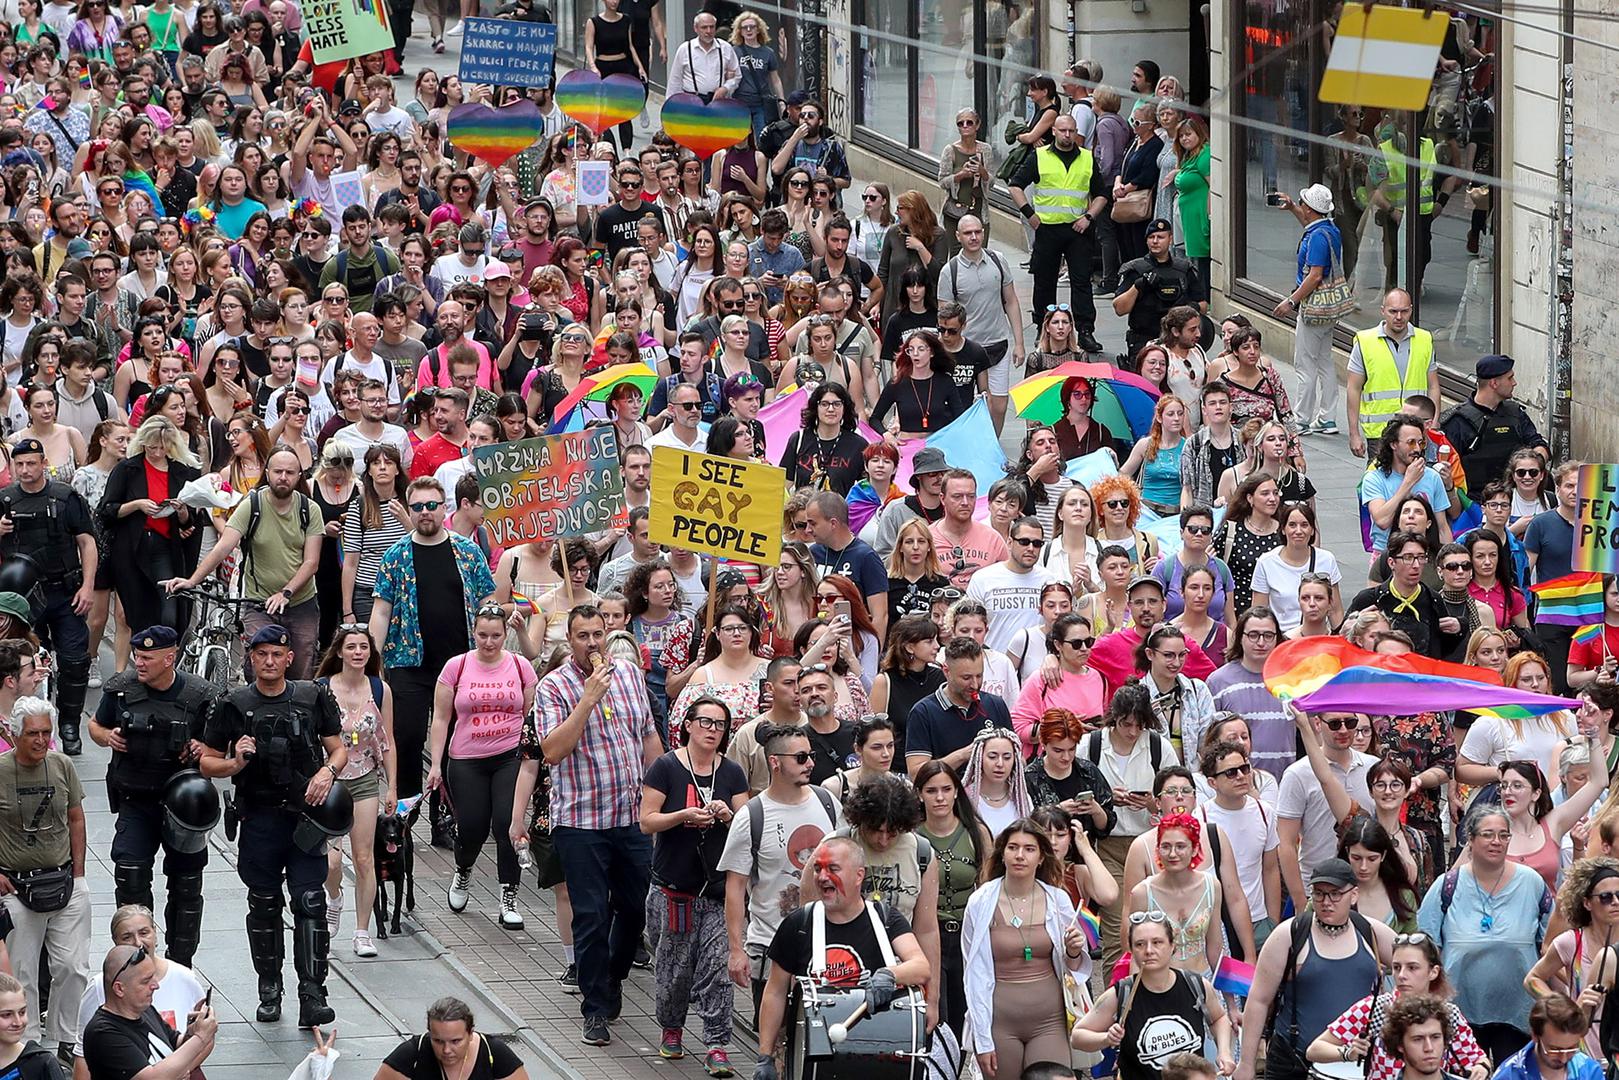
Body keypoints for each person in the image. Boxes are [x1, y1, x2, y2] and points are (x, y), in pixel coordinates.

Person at [197, 625, 348, 1027]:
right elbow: (207, 760)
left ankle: (313, 994)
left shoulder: (311, 696)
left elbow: (338, 749)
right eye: (261, 654)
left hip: (304, 817)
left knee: (311, 903)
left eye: (276, 655)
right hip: (259, 818)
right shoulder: (233, 703)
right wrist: (235, 763)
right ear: (251, 658)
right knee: (263, 905)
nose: (269, 662)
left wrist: (326, 774)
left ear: (288, 658)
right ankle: (270, 989)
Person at [532, 604, 660, 1047]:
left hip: (630, 816)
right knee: (590, 915)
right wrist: (587, 698)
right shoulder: (553, 687)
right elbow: (552, 750)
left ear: (608, 634)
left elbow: (647, 736)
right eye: (582, 636)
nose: (591, 643)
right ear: (569, 641)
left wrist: (659, 792)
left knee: (637, 908)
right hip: (581, 821)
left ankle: (611, 979)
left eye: (597, 634)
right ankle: (595, 1008)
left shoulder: (628, 675)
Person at [86, 626, 219, 970]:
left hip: (182, 807)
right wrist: (107, 737)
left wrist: (202, 747)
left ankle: (181, 965)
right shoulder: (121, 690)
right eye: (137, 656)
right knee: (130, 876)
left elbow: (219, 745)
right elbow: (96, 727)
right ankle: (136, 963)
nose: (139, 663)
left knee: (187, 886)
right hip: (136, 798)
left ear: (169, 658)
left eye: (147, 658)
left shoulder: (199, 694)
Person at [367, 476, 496, 828]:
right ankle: (408, 811)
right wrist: (372, 660)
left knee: (457, 741)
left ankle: (447, 816)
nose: (424, 513)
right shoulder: (396, 555)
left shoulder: (467, 552)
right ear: (409, 511)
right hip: (409, 664)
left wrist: (491, 650)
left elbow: (487, 601)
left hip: (459, 666)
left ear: (444, 510)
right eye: (417, 507)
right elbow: (381, 610)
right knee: (408, 737)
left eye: (431, 506)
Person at [751, 836, 930, 1080]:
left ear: (859, 876)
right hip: (810, 1055)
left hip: (871, 1053)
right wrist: (765, 1055)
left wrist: (890, 974)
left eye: (833, 868)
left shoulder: (885, 919)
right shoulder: (799, 924)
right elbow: (775, 991)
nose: (822, 877)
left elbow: (921, 966)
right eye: (817, 869)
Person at [640, 695, 747, 1074]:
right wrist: (683, 814)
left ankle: (717, 1043)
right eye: (705, 722)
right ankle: (672, 1027)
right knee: (673, 966)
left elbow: (744, 828)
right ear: (687, 724)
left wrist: (728, 815)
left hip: (717, 890)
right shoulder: (666, 768)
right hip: (673, 888)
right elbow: (647, 821)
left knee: (718, 966)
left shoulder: (731, 772)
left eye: (720, 725)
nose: (712, 731)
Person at [165, 447, 323, 676]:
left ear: (299, 476)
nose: (283, 477)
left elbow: (311, 562)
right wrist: (192, 580)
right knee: (260, 662)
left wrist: (285, 593)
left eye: (290, 472)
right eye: (278, 471)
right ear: (267, 472)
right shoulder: (253, 505)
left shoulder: (310, 510)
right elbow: (223, 547)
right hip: (258, 601)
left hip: (300, 601)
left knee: (301, 667)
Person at [1234, 858, 1396, 1080]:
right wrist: (1246, 1063)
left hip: (1357, 1063)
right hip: (1293, 1061)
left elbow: (1419, 970)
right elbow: (1259, 1000)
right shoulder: (1289, 934)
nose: (1326, 902)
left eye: (1335, 894)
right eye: (1319, 893)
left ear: (1354, 895)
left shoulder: (1372, 933)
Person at [426, 604, 537, 929]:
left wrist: (534, 760)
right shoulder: (456, 667)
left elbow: (530, 717)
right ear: (473, 633)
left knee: (507, 824)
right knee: (472, 826)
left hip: (510, 756)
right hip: (467, 758)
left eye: (496, 636)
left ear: (505, 634)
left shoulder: (520, 667)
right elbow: (441, 718)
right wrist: (435, 763)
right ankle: (463, 871)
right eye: (482, 635)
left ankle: (509, 895)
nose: (489, 643)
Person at [1416, 805, 1553, 1064]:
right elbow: (1425, 946)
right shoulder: (1447, 885)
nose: (1497, 842)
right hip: (1458, 1012)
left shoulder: (1532, 883)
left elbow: (1551, 944)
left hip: (1518, 1012)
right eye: (1488, 834)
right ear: (1471, 839)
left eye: (1504, 835)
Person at [961, 819, 1091, 1080]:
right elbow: (973, 972)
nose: (1020, 855)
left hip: (1049, 1020)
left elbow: (1074, 968)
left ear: (1041, 857)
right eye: (1013, 847)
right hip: (1000, 1020)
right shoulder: (980, 901)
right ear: (1003, 853)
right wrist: (983, 1040)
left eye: (1029, 849)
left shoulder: (1058, 900)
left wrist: (1075, 951)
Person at [0, 699, 91, 1056]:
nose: (41, 740)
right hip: (17, 886)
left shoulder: (62, 764)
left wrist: (80, 874)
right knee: (21, 972)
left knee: (73, 966)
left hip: (65, 881)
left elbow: (77, 817)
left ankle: (67, 1039)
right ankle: (30, 1044)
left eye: (46, 732)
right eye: (33, 733)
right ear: (15, 734)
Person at [0, 437, 97, 754]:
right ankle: (23, 727)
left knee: (73, 661)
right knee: (20, 666)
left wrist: (88, 585)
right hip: (22, 600)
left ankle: (69, 724)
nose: (25, 470)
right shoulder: (5, 500)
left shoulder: (64, 497)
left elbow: (87, 542)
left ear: (44, 463)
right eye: (20, 464)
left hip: (66, 592)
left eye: (31, 463)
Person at [1071, 911, 1235, 1080]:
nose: (1149, 950)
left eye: (1157, 942)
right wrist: (1106, 1038)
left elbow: (1219, 1018)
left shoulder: (1195, 985)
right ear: (1131, 950)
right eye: (1140, 944)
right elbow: (1077, 1036)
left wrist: (1224, 1052)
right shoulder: (1121, 994)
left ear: (1172, 946)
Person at [1007, 113, 1108, 354]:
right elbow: (1014, 185)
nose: (1067, 135)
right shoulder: (1040, 156)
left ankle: (1085, 331)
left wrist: (1089, 217)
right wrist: (1030, 214)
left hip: (1078, 229)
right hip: (1047, 229)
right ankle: (1044, 330)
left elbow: (1102, 194)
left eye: (1071, 131)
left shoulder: (1086, 158)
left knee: (1082, 281)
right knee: (1044, 282)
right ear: (1053, 131)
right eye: (1062, 130)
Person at [936, 214, 1023, 433]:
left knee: (999, 406)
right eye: (968, 233)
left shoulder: (998, 260)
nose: (974, 237)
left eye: (978, 232)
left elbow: (1010, 300)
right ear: (958, 236)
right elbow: (944, 316)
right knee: (965, 406)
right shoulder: (950, 271)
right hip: (966, 350)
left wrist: (1019, 343)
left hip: (997, 344)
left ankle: (992, 446)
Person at [1270, 184, 1344, 437]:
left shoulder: (1316, 238)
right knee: (1324, 361)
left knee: (1304, 364)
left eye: (1302, 204)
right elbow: (1310, 224)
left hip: (1313, 308)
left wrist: (1291, 301)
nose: (1301, 206)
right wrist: (1292, 207)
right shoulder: (1328, 229)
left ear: (1310, 209)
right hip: (1328, 308)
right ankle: (1328, 417)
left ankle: (1301, 419)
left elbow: (1314, 276)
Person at [80, 944, 217, 1080]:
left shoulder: (145, 1010)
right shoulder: (103, 1033)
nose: (156, 985)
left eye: (153, 977)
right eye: (146, 981)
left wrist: (192, 1032)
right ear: (119, 989)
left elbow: (175, 1043)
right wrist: (200, 1038)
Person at [904, 635, 1015, 778]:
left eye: (979, 676)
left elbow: (1016, 757)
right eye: (966, 678)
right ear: (946, 671)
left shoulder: (995, 705)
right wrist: (963, 755)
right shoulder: (923, 712)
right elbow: (916, 773)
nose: (975, 685)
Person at [1439, 354, 1550, 494]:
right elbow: (1448, 470)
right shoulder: (1456, 421)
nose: (1514, 383)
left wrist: (1533, 464)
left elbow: (1539, 444)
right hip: (1475, 502)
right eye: (1510, 378)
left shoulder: (1515, 414)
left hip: (1516, 497)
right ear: (1494, 383)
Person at [1346, 290, 1437, 458]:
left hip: (1416, 431)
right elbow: (1353, 388)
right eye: (1393, 311)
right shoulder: (1365, 342)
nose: (1399, 317)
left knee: (1416, 479)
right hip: (1380, 433)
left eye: (1404, 311)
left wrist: (1435, 423)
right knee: (1380, 481)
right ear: (1383, 311)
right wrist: (1354, 433)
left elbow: (1433, 386)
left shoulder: (1424, 339)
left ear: (1411, 310)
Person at [1114, 218, 1204, 367]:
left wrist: (1189, 309)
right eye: (1151, 237)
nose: (1155, 241)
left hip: (1177, 341)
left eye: (1160, 237)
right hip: (1143, 338)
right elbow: (1119, 308)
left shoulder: (1184, 269)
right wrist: (1139, 286)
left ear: (1170, 239)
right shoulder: (1135, 269)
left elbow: (1203, 304)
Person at [375, 997, 527, 1080]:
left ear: (470, 1034)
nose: (447, 1050)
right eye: (438, 1041)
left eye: (456, 1041)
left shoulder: (494, 1053)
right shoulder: (412, 1054)